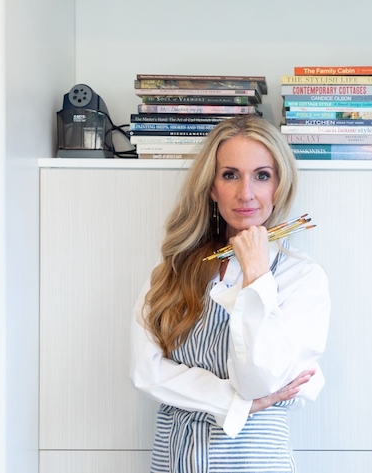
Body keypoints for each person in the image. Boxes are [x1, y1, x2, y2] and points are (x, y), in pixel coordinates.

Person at [130, 115, 331, 473]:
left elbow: (258, 378)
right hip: (173, 460)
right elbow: (146, 373)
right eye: (230, 175)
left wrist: (256, 276)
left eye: (262, 175)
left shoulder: (302, 278)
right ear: (211, 187)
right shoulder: (171, 273)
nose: (246, 193)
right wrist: (240, 403)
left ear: (278, 186)